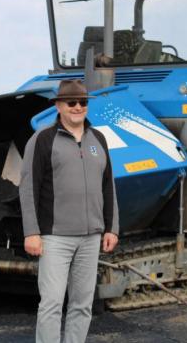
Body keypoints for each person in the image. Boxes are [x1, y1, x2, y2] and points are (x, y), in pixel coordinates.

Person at [19, 79, 119, 343]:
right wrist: (31, 232)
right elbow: (28, 188)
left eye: (83, 102)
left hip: (91, 238)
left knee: (82, 305)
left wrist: (111, 227)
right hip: (55, 237)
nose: (78, 107)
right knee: (51, 304)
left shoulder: (99, 139)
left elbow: (108, 186)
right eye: (71, 102)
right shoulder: (42, 140)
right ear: (59, 106)